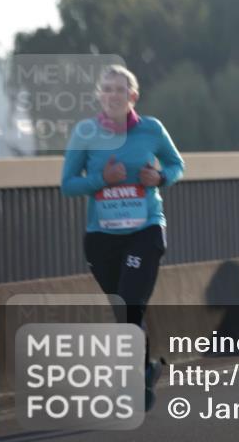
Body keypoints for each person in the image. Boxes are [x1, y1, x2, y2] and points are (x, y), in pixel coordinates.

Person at [61, 65, 185, 411]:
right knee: (124, 309)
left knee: (131, 301)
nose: (113, 95)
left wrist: (158, 178)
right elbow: (68, 184)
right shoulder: (85, 133)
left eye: (120, 89)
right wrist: (102, 178)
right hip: (102, 237)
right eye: (107, 89)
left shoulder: (151, 129)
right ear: (99, 96)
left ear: (133, 96)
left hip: (145, 230)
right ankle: (145, 368)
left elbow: (177, 166)